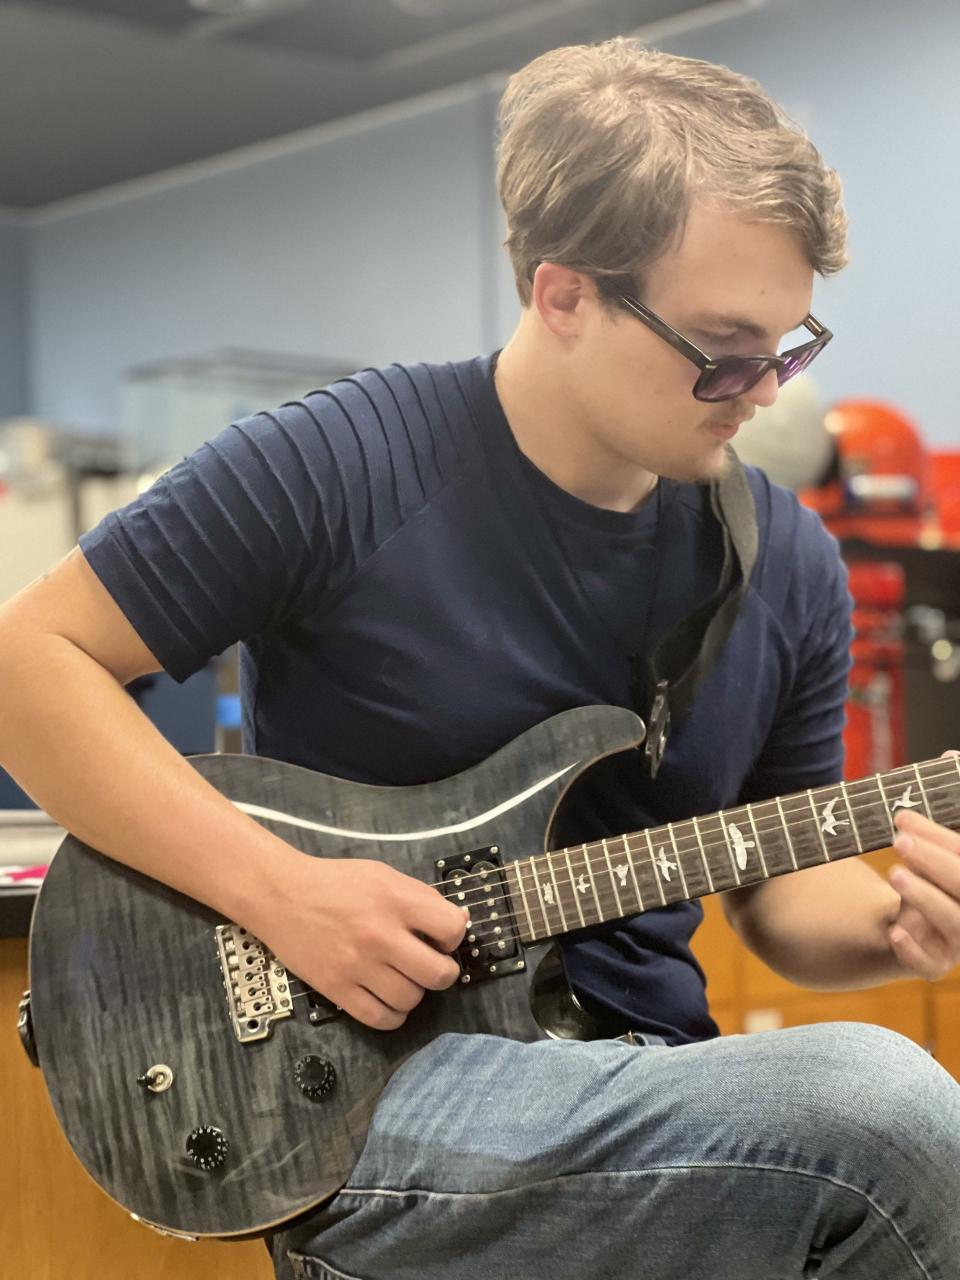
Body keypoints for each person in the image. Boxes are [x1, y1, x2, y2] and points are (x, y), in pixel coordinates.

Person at [2, 38, 960, 1280]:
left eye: (789, 345)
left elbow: (775, 893)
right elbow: (30, 657)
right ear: (563, 295)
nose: (760, 392)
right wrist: (283, 893)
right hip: (373, 1095)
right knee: (880, 1114)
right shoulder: (344, 460)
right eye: (723, 348)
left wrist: (896, 921)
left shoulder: (788, 567)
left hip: (651, 1085)